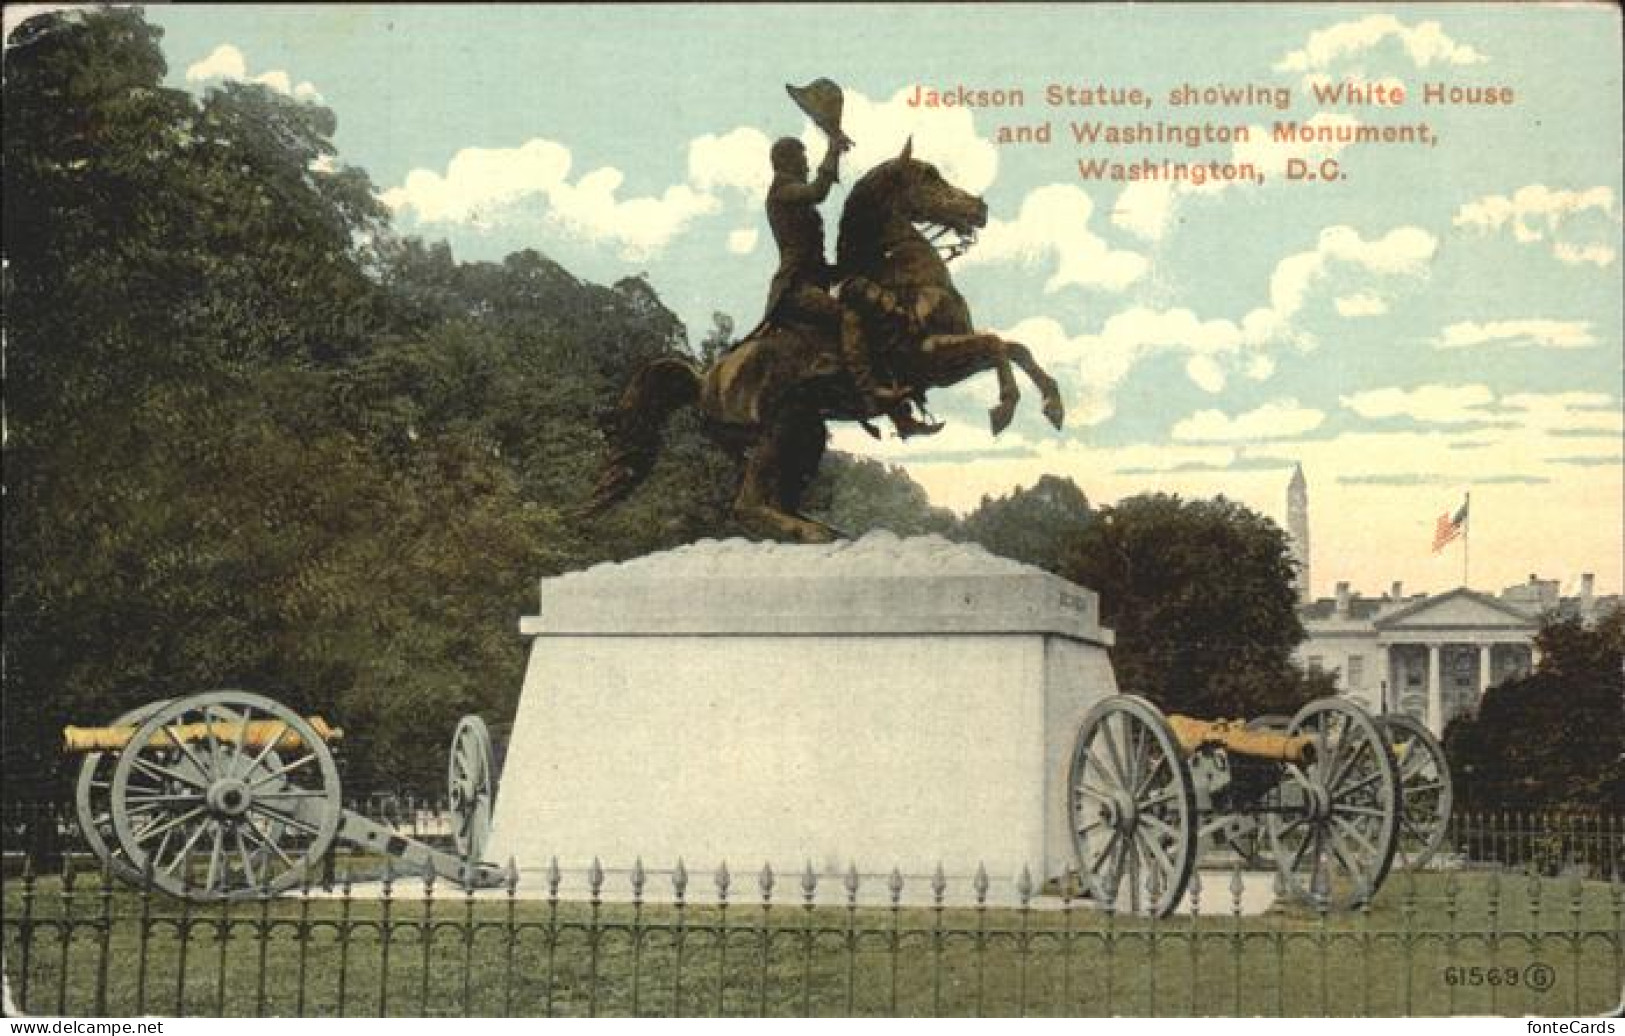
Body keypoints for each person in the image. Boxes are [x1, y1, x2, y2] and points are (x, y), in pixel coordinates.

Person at [759, 136, 937, 437]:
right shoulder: (781, 191)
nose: (806, 163)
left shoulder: (789, 193)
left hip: (813, 280)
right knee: (848, 317)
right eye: (802, 158)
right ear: (786, 161)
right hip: (794, 289)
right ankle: (871, 391)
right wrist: (832, 148)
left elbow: (816, 259)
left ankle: (900, 414)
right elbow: (819, 191)